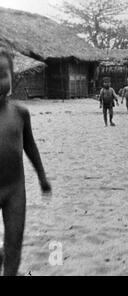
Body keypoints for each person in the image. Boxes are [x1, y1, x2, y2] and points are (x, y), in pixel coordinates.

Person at [0, 48, 51, 276]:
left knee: (14, 241)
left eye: (2, 74)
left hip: (14, 191)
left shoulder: (20, 113)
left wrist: (42, 178)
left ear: (12, 77)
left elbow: (30, 147)